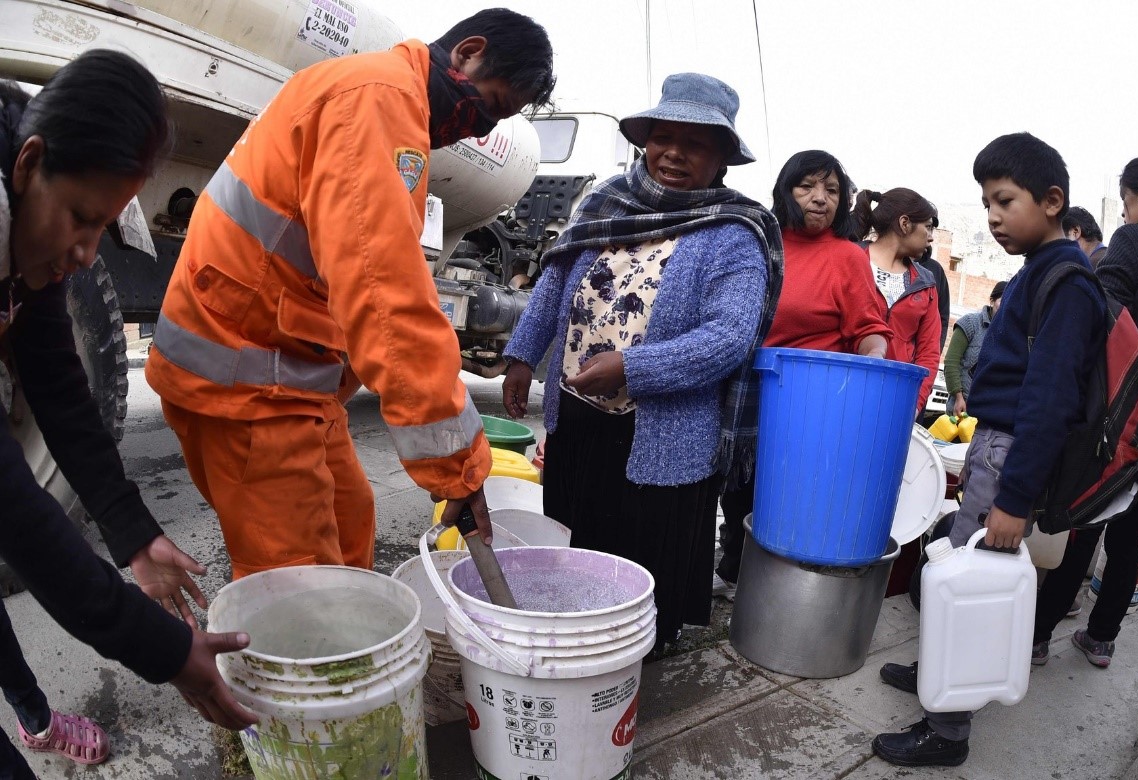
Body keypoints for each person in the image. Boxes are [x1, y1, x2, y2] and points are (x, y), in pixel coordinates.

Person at [145, 10, 557, 578]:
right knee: (303, 584)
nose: (477, 127)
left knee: (348, 520)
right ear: (467, 53)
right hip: (243, 381)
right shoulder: (377, 99)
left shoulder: (382, 97)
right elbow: (386, 293)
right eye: (488, 105)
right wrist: (459, 468)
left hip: (291, 374)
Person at [0, 50, 258, 778]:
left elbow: (57, 383)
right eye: (82, 220)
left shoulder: (29, 227)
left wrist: (133, 533)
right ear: (28, 164)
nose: (86, 254)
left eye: (103, 226)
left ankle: (31, 713)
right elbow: (16, 511)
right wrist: (163, 648)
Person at [500, 73, 782, 650]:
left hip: (661, 427)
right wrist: (523, 357)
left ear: (722, 157)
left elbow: (730, 337)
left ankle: (638, 641)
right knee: (579, 527)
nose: (674, 153)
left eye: (696, 144)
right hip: (580, 409)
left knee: (648, 540)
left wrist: (633, 367)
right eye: (663, 136)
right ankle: (582, 623)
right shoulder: (607, 202)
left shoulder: (734, 233)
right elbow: (555, 282)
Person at [872, 132, 1106, 768]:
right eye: (986, 204)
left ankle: (946, 729)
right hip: (994, 444)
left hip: (1011, 457)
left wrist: (1015, 498)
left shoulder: (1066, 283)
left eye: (1004, 201)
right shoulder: (1038, 271)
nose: (994, 217)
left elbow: (1051, 400)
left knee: (973, 579)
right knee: (958, 572)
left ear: (1052, 201)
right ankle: (937, 669)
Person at [1035, 157, 1138, 669]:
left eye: (1127, 200)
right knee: (1129, 531)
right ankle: (1102, 636)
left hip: (1121, 420)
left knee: (1086, 521)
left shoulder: (1132, 242)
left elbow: (1098, 314)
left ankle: (1038, 635)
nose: (1126, 211)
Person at [714, 150, 892, 591]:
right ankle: (733, 567)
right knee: (735, 492)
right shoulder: (759, 243)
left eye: (831, 190)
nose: (820, 199)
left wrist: (873, 361)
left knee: (786, 496)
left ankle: (776, 586)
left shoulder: (849, 257)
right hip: (745, 393)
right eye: (807, 186)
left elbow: (870, 330)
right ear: (785, 190)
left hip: (809, 402)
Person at [858, 188, 942, 415]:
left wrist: (915, 403)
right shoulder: (850, 261)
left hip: (895, 402)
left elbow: (929, 351)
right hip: (845, 392)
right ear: (905, 223)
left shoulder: (926, 283)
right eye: (928, 226)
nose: (931, 236)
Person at [942, 281, 1006, 417]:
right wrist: (959, 397)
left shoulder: (1009, 333)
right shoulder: (970, 323)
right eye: (1002, 300)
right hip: (960, 408)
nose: (1005, 306)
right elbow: (951, 362)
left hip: (988, 413)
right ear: (992, 300)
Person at [917, 243, 952, 351]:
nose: (930, 236)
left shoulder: (935, 270)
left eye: (931, 228)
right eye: (927, 227)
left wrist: (935, 352)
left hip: (920, 358)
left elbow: (943, 317)